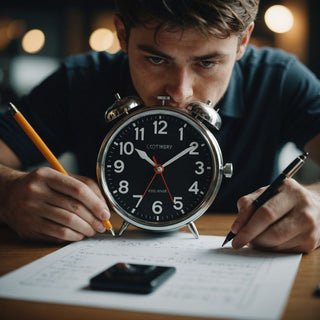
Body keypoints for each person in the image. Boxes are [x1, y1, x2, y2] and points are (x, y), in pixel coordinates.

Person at [0, 0, 319, 252]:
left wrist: (317, 204)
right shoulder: (79, 81)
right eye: (156, 59)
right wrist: (8, 192)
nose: (180, 92)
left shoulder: (278, 80)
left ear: (242, 42)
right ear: (123, 35)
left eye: (206, 63)